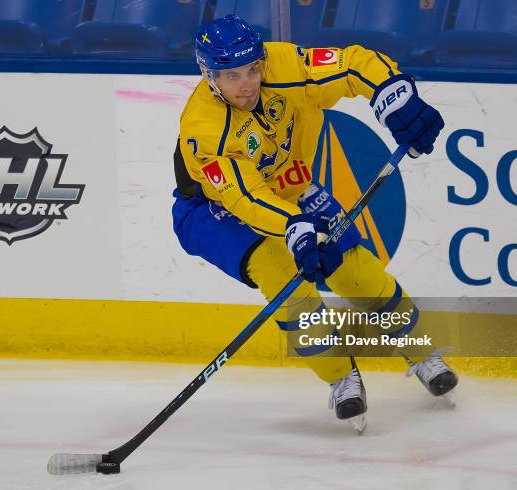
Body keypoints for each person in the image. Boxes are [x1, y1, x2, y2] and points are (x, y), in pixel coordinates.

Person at [172, 14, 457, 432]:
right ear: (207, 74)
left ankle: (421, 352)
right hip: (217, 213)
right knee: (283, 276)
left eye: (253, 68)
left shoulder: (284, 65)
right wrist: (297, 229)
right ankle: (341, 377)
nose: (248, 82)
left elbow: (351, 64)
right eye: (231, 75)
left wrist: (394, 94)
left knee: (357, 273)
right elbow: (246, 198)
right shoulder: (203, 129)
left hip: (292, 190)